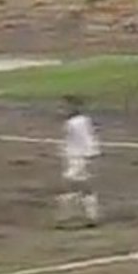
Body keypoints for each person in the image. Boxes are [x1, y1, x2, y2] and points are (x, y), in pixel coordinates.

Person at [57, 95, 101, 227]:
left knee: (70, 187)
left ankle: (65, 217)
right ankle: (90, 216)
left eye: (64, 106)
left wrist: (88, 155)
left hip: (78, 158)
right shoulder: (83, 120)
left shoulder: (73, 123)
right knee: (83, 188)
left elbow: (85, 140)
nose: (61, 110)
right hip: (79, 157)